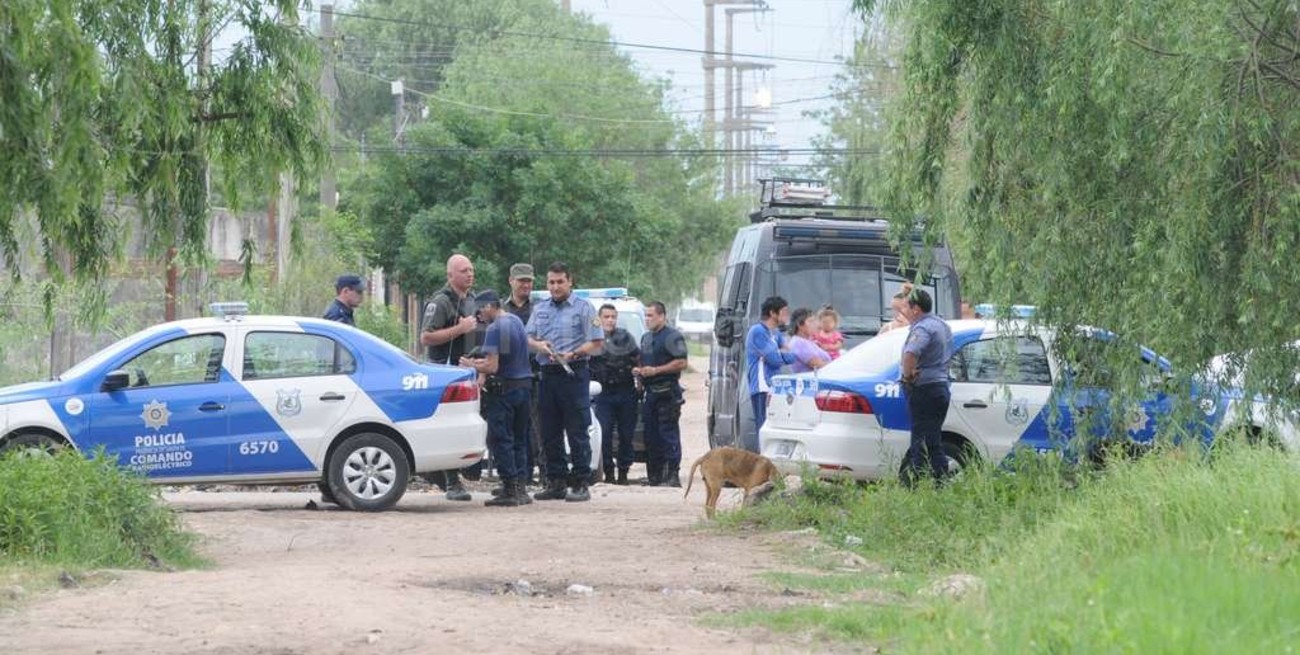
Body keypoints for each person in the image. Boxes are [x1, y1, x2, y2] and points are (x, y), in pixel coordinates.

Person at [526, 262, 603, 502]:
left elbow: (597, 342)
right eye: (551, 282)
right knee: (549, 432)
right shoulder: (540, 309)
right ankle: (556, 481)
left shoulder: (584, 308)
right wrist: (540, 346)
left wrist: (576, 353)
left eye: (560, 282)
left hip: (574, 373)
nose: (556, 286)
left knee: (577, 430)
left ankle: (580, 482)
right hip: (548, 375)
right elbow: (527, 337)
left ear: (570, 282)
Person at [459, 290, 534, 507]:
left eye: (480, 309)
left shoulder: (495, 328)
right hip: (524, 387)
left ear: (490, 306)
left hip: (505, 391)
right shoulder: (515, 321)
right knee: (520, 440)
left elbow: (493, 366)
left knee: (501, 439)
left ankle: (510, 488)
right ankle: (521, 487)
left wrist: (470, 364)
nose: (479, 314)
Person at [419, 254, 479, 501]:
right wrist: (459, 328)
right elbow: (426, 337)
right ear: (450, 275)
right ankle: (451, 482)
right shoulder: (441, 302)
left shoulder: (472, 300)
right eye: (464, 270)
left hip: (467, 372)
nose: (469, 274)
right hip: (444, 374)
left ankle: (448, 476)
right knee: (448, 427)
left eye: (471, 270)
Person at [899, 287, 954, 488]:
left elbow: (910, 353)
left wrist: (907, 377)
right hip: (940, 387)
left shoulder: (922, 328)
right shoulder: (942, 325)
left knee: (920, 441)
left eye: (906, 306)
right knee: (933, 439)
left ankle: (914, 487)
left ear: (916, 309)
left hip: (924, 389)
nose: (903, 310)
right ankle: (940, 483)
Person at [633, 301, 688, 487]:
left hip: (667, 392)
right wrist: (639, 374)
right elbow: (643, 360)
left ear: (662, 316)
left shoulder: (673, 336)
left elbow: (681, 363)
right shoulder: (646, 338)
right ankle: (654, 476)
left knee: (668, 434)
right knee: (651, 436)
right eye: (646, 315)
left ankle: (673, 475)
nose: (647, 319)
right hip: (650, 393)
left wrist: (656, 371)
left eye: (651, 315)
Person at [590, 303, 639, 485]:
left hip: (625, 391)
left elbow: (638, 358)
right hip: (603, 393)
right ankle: (608, 472)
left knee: (626, 434)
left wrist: (639, 376)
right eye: (606, 317)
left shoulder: (625, 337)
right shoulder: (593, 339)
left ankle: (623, 473)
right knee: (605, 434)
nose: (610, 320)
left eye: (613, 317)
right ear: (599, 319)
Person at [503, 262, 542, 484]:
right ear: (511, 281)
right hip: (508, 378)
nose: (526, 285)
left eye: (529, 281)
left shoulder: (540, 310)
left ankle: (535, 475)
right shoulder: (501, 310)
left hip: (534, 376)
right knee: (510, 430)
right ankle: (515, 477)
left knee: (536, 430)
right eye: (522, 280)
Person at [745, 296, 796, 450]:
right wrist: (779, 353)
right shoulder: (758, 331)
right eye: (784, 312)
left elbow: (792, 354)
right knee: (763, 426)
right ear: (773, 313)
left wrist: (779, 352)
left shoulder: (775, 334)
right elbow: (774, 359)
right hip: (762, 386)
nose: (787, 316)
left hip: (775, 386)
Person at [788, 308, 832, 373]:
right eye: (811, 321)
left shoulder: (808, 341)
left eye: (815, 321)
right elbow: (819, 365)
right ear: (800, 325)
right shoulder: (799, 343)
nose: (816, 324)